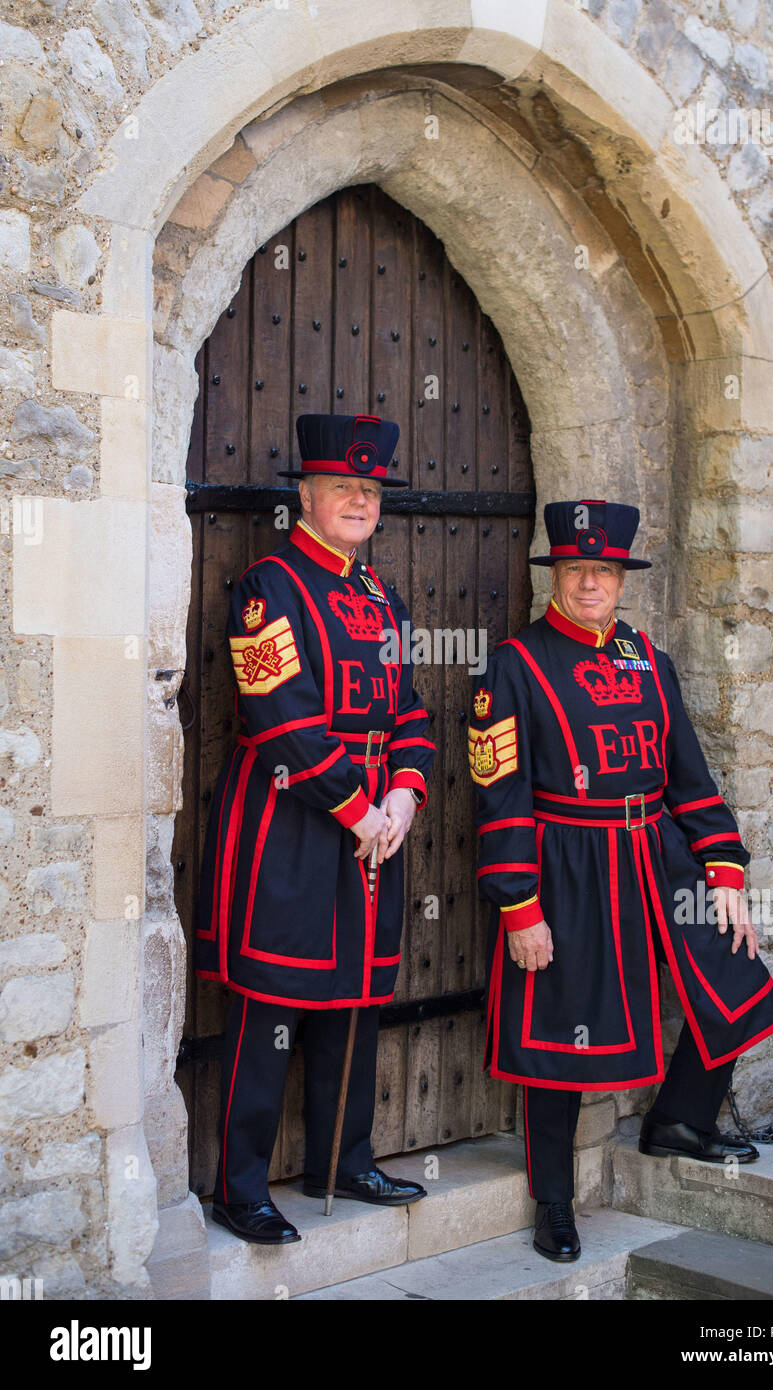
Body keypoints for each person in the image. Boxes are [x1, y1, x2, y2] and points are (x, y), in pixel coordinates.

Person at [468, 499, 773, 1263]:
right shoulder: (514, 666)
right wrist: (519, 907)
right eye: (578, 570)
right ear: (558, 575)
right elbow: (500, 796)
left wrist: (723, 870)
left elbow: (689, 773)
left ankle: (680, 1122)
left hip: (661, 852)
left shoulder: (648, 657)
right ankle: (555, 1202)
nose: (590, 584)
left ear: (621, 580)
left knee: (736, 981)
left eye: (604, 572)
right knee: (558, 1039)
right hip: (570, 866)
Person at [196, 413, 436, 1244]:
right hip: (290, 824)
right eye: (344, 487)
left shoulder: (381, 596)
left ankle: (345, 1157)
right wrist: (357, 805)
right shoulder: (267, 588)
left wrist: (404, 796)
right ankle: (239, 1187)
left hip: (375, 826)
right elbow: (280, 721)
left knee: (358, 999)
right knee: (272, 1002)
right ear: (307, 494)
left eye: (370, 490)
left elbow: (411, 711)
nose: (359, 501)